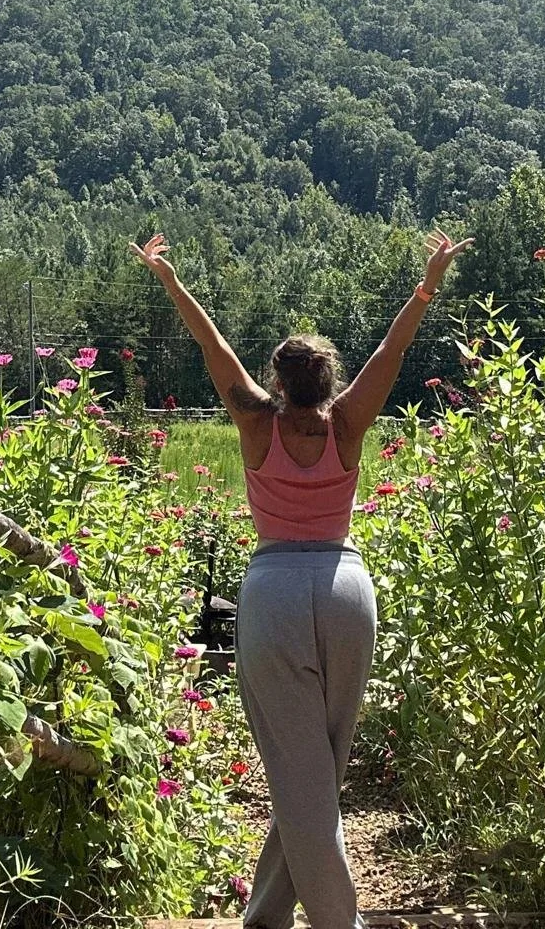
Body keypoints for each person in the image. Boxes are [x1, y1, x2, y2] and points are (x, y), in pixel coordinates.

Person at [129, 227, 473, 929]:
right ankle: (265, 916)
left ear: (279, 381)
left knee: (297, 772)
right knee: (317, 771)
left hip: (276, 591)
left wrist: (170, 281)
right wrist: (426, 285)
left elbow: (211, 346)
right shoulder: (349, 422)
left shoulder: (256, 422)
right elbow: (392, 352)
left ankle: (339, 921)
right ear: (330, 379)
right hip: (346, 589)